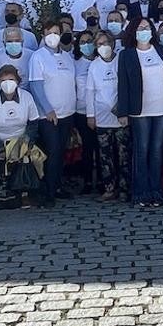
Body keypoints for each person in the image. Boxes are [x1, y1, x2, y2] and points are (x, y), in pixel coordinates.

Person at [117, 18, 163, 208]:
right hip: (139, 110)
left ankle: (156, 192)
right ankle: (140, 193)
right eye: (140, 28)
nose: (144, 30)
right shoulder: (126, 55)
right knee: (141, 151)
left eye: (147, 27)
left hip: (162, 108)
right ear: (133, 32)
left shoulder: (159, 50)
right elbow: (123, 84)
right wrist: (123, 112)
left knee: (157, 151)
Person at [28, 20, 78, 205]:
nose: (53, 36)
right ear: (43, 34)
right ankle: (47, 191)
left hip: (67, 113)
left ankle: (57, 185)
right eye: (49, 32)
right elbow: (36, 85)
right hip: (49, 116)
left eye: (56, 32)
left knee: (61, 152)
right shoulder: (38, 57)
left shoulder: (67, 56)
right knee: (53, 151)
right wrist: (48, 110)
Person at [0, 65, 42, 184]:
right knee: (1, 175)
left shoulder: (27, 97)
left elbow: (33, 123)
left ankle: (25, 193)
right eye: (3, 81)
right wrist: (1, 148)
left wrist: (26, 143)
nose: (8, 83)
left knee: (26, 167)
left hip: (22, 139)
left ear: (18, 81)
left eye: (11, 80)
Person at [85, 32, 127, 201]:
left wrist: (123, 108)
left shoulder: (121, 60)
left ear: (113, 43)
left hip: (121, 117)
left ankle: (125, 188)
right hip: (101, 117)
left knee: (124, 155)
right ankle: (109, 188)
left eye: (106, 42)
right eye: (99, 44)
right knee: (105, 156)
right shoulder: (94, 65)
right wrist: (90, 115)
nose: (103, 47)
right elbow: (90, 92)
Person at [73, 30, 99, 193]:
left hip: (101, 111)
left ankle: (105, 180)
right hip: (81, 111)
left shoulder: (100, 61)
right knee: (87, 148)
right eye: (82, 42)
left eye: (89, 41)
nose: (86, 44)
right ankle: (88, 181)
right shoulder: (75, 63)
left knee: (101, 148)